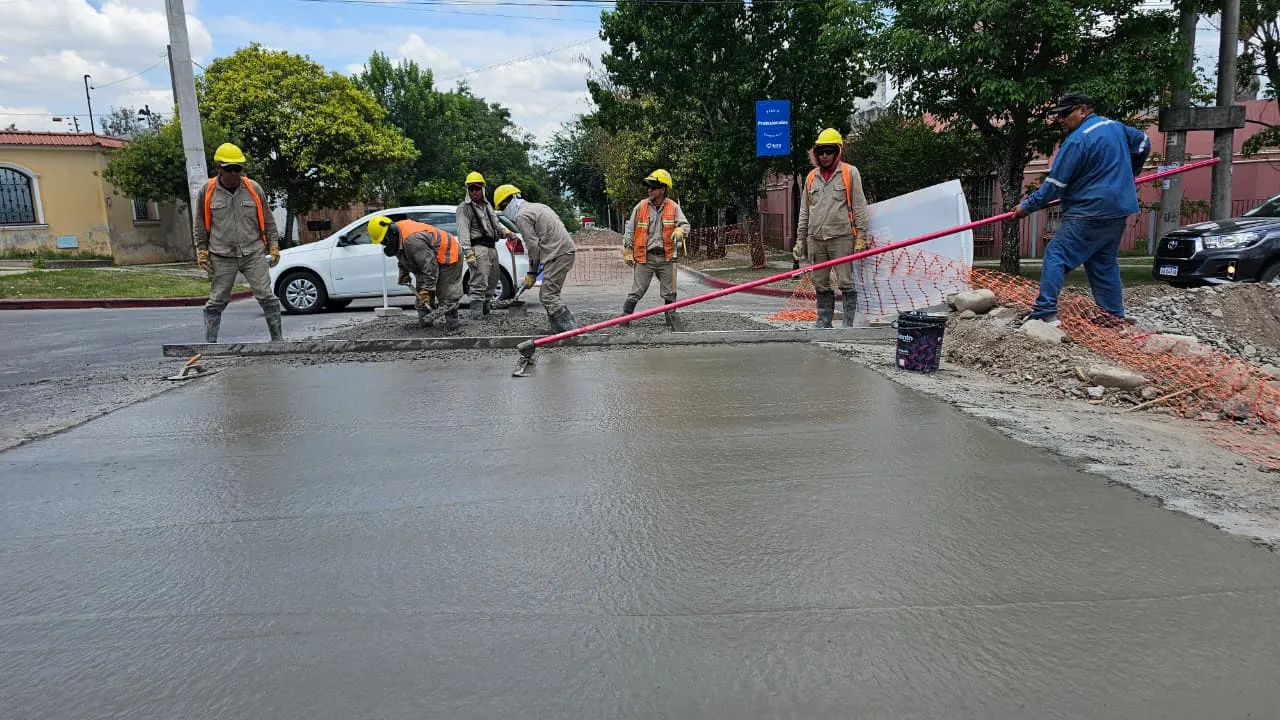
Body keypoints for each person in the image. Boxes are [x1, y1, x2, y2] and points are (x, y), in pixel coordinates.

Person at [1013, 91, 1151, 327]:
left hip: (1089, 210)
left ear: (1083, 110)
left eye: (1065, 114)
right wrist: (1129, 174)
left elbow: (1055, 184)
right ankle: (1113, 315)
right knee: (1102, 262)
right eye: (1058, 115)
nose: (1060, 119)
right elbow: (1143, 143)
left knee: (1056, 254)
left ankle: (1045, 311)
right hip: (1118, 209)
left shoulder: (1077, 140)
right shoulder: (1115, 127)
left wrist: (1026, 207)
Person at [194, 142, 282, 343]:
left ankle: (278, 340)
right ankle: (211, 344)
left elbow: (268, 220)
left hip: (253, 252)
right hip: (221, 254)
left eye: (238, 169)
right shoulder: (207, 191)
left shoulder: (253, 189)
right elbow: (199, 224)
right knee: (217, 300)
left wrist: (274, 245)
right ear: (219, 168)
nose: (234, 173)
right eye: (229, 169)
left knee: (266, 295)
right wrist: (202, 250)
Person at [794, 128, 871, 328]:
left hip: (841, 237)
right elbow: (805, 211)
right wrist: (800, 240)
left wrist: (861, 236)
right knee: (819, 281)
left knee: (845, 281)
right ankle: (824, 321)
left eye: (829, 151)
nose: (825, 155)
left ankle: (848, 324)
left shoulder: (849, 173)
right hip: (816, 239)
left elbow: (859, 206)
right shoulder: (812, 177)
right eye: (821, 151)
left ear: (837, 151)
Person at [493, 184, 579, 333]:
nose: (504, 210)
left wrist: (532, 273)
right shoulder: (538, 207)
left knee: (548, 296)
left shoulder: (521, 216)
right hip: (561, 250)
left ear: (512, 200)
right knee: (548, 294)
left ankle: (572, 331)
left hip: (558, 253)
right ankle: (557, 330)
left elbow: (533, 247)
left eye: (503, 206)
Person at [620, 169, 691, 328]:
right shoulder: (641, 207)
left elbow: (685, 225)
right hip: (646, 256)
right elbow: (630, 230)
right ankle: (624, 318)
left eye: (653, 187)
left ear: (663, 189)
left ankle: (670, 318)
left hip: (666, 257)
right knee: (637, 290)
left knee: (669, 291)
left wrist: (680, 231)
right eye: (649, 187)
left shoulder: (673, 207)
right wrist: (627, 250)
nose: (649, 190)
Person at [368, 216, 464, 332]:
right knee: (421, 295)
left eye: (384, 240)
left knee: (446, 292)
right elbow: (403, 253)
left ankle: (453, 327)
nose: (385, 244)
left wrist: (427, 290)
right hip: (428, 257)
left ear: (391, 231)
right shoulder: (398, 236)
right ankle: (425, 327)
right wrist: (403, 271)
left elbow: (430, 267)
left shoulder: (413, 240)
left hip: (448, 253)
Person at [457, 171, 515, 319]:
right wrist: (468, 252)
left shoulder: (487, 206)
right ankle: (476, 315)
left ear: (482, 188)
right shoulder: (465, 208)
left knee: (493, 280)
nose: (474, 191)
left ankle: (486, 312)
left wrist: (506, 233)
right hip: (478, 247)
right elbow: (463, 231)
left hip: (491, 247)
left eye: (476, 188)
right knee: (479, 281)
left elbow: (496, 225)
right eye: (471, 188)